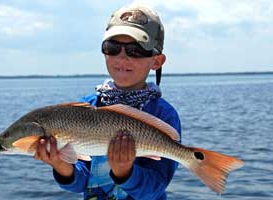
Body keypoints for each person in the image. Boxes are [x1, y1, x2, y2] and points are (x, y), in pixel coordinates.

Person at [34, 3, 181, 200]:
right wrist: (61, 165)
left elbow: (155, 188)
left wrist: (124, 171)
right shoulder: (86, 107)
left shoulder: (163, 114)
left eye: (136, 50)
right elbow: (80, 182)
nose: (122, 57)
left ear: (157, 61)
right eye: (112, 48)